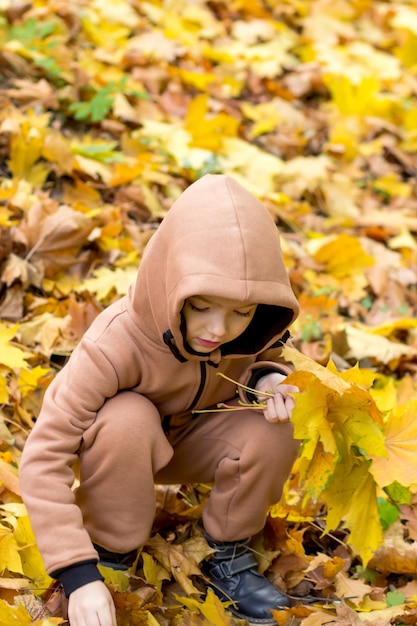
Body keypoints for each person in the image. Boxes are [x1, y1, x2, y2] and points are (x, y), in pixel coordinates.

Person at [19, 174, 301, 626]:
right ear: (172, 282)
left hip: (199, 439)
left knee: (277, 422)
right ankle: (109, 554)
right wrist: (75, 570)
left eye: (240, 312)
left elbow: (274, 353)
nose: (218, 329)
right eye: (201, 305)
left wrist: (269, 376)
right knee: (127, 416)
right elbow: (42, 456)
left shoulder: (253, 325)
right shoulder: (115, 343)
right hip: (124, 450)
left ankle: (224, 550)